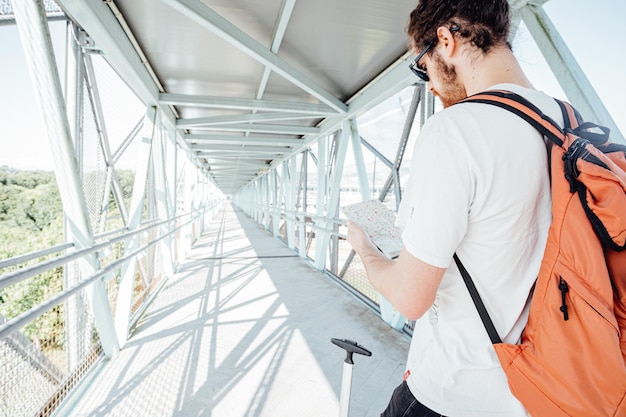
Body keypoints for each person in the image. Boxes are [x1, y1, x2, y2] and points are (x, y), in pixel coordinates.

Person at [346, 1, 564, 416]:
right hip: (543, 394)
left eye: (421, 66)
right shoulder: (571, 124)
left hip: (455, 393)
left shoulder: (456, 131)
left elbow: (410, 299)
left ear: (446, 40)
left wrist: (366, 250)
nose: (428, 83)